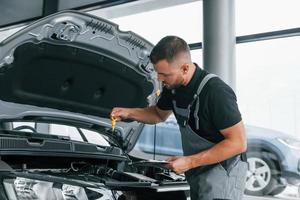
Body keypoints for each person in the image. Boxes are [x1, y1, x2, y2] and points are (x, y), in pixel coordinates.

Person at [111, 36, 248, 200]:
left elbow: (238, 143)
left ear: (184, 68)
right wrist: (128, 113)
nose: (159, 79)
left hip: (224, 172)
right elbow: (158, 114)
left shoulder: (216, 92)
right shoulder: (173, 86)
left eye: (164, 74)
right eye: (157, 73)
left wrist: (189, 162)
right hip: (199, 168)